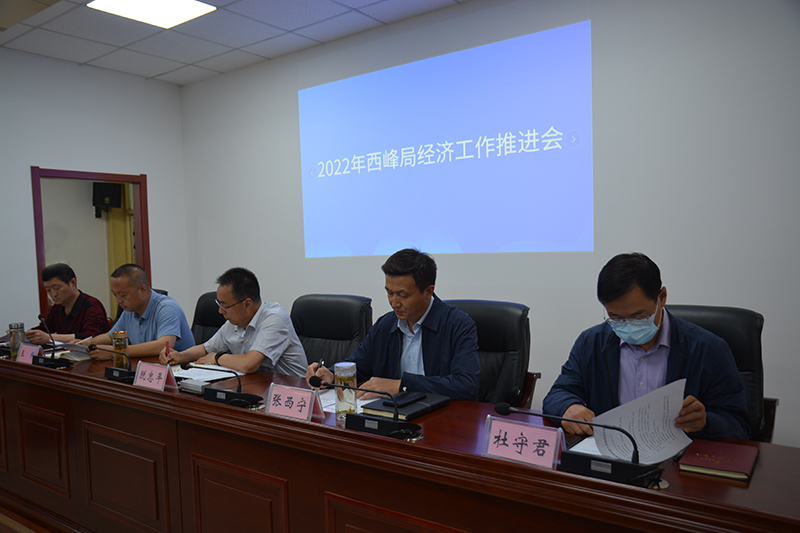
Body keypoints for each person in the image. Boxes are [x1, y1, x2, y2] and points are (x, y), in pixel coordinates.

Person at [542, 252, 749, 440]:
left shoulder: (708, 349)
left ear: (662, 298)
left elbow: (738, 425)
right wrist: (568, 406)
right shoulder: (591, 342)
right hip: (610, 456)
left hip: (677, 460)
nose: (628, 326)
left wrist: (705, 423)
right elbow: (558, 393)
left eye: (638, 317)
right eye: (616, 318)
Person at [306, 248, 480, 400]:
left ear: (428, 292)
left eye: (403, 295)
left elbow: (466, 385)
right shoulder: (386, 324)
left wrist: (401, 385)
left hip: (442, 417)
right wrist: (331, 375)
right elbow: (358, 365)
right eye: (389, 293)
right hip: (394, 414)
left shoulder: (458, 325)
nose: (394, 303)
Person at [160, 267, 307, 376]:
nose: (220, 311)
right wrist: (180, 356)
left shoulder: (275, 318)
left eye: (225, 306)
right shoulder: (234, 322)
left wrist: (217, 358)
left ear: (247, 304)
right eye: (219, 305)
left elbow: (249, 364)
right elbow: (206, 348)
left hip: (291, 392)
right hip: (257, 385)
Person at [79, 264, 193, 359]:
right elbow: (111, 337)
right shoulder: (129, 310)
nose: (118, 300)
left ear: (142, 290)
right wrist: (87, 343)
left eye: (123, 295)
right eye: (115, 295)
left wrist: (115, 351)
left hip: (179, 371)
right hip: (147, 368)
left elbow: (163, 345)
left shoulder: (167, 308)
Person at [25, 263, 108, 344]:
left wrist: (49, 338)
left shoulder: (92, 306)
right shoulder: (57, 308)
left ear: (73, 283)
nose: (53, 294)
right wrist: (25, 334)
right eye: (48, 290)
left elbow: (90, 337)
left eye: (57, 288)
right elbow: (44, 329)